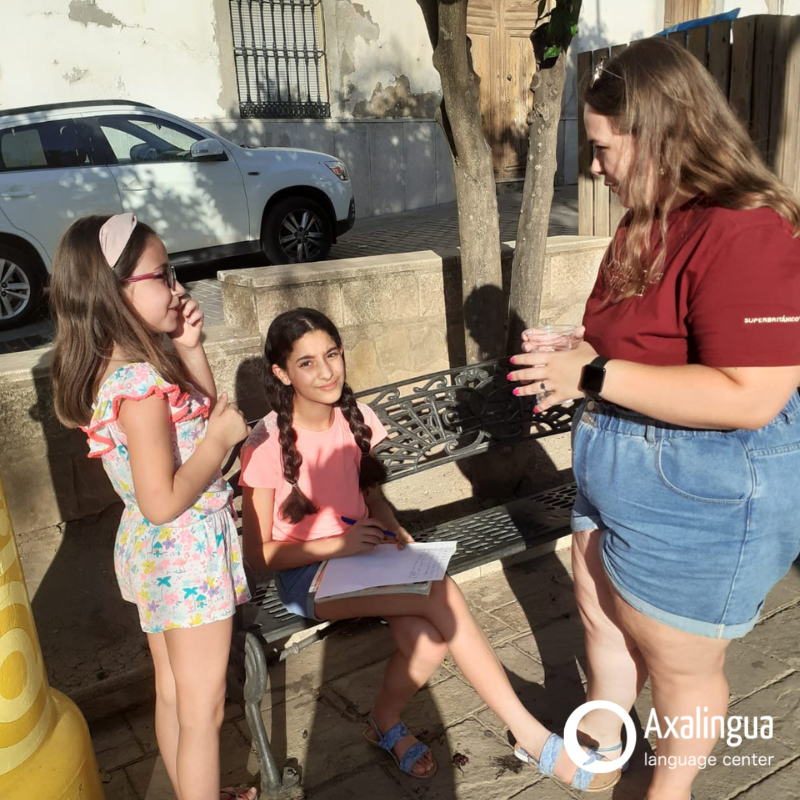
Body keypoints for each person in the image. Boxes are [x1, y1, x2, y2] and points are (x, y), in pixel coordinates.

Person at [509, 37, 800, 800]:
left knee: (681, 673)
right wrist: (579, 355)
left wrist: (594, 374)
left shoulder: (746, 228)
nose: (593, 168)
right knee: (601, 617)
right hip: (618, 465)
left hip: (696, 491)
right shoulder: (646, 219)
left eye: (603, 148)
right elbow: (636, 346)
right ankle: (603, 748)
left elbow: (752, 395)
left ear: (660, 135)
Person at [239, 307, 618, 790]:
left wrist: (399, 535)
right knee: (439, 590)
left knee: (430, 639)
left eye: (331, 354)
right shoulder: (266, 443)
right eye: (307, 362)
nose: (327, 371)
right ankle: (533, 737)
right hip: (306, 575)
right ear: (281, 373)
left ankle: (383, 722)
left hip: (363, 556)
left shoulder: (355, 418)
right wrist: (341, 543)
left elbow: (371, 497)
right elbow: (259, 556)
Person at [49, 214, 255, 800]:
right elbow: (164, 498)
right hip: (185, 555)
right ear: (113, 292)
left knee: (173, 694)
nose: (178, 288)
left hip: (159, 555)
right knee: (203, 709)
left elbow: (199, 422)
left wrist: (191, 349)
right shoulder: (140, 388)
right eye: (162, 275)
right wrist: (220, 443)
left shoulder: (118, 375)